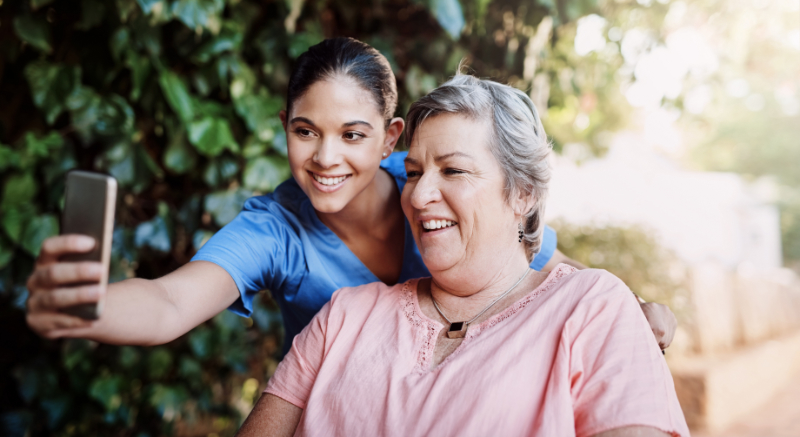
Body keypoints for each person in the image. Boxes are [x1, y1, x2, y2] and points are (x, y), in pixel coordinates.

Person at [24, 37, 674, 354]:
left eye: (353, 134)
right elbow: (171, 300)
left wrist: (634, 311)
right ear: (285, 129)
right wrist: (91, 305)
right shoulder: (276, 228)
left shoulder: (434, 188)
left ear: (391, 137)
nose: (326, 158)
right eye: (305, 132)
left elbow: (544, 266)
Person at [237, 75, 689, 437]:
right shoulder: (344, 317)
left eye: (453, 170)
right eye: (413, 173)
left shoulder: (593, 309)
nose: (419, 195)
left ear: (523, 193)